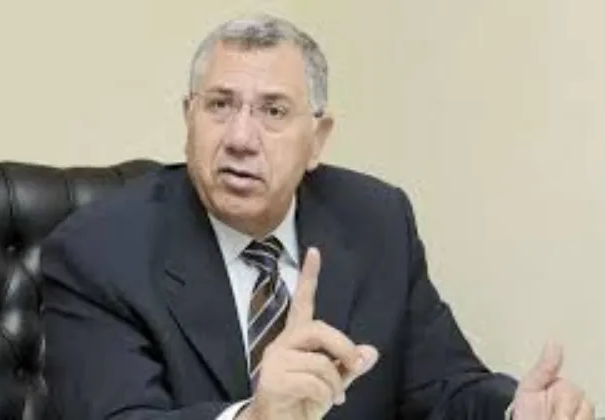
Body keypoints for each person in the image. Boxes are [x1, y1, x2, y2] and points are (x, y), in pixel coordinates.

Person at [41, 14, 595, 420]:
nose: (240, 137)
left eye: (273, 111)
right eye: (219, 105)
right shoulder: (99, 251)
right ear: (189, 118)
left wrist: (514, 410)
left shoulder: (377, 220)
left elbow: (442, 386)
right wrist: (256, 417)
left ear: (318, 139)